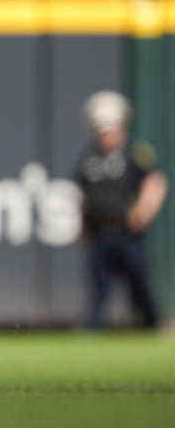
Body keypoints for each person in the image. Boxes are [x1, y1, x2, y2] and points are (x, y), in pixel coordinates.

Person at [75, 90, 168, 329]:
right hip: (100, 230)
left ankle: (152, 325)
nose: (106, 133)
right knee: (99, 284)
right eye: (101, 128)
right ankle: (91, 329)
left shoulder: (135, 153)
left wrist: (145, 210)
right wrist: (83, 224)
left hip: (127, 230)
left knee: (139, 280)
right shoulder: (89, 158)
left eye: (111, 127)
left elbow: (156, 181)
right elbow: (83, 194)